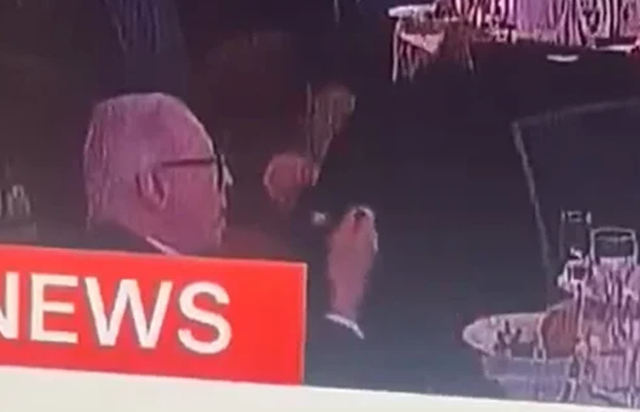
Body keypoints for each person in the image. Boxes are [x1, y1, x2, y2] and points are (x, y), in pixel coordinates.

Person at [81, 92, 379, 385]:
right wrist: (344, 304)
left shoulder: (84, 285)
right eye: (211, 164)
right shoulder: (185, 314)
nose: (228, 181)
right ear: (154, 186)